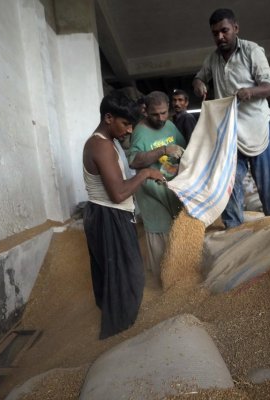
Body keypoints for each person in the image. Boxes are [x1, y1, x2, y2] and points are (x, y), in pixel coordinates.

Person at [82, 90, 165, 339]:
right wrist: (145, 174)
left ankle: (121, 326)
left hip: (111, 214)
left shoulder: (109, 141)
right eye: (125, 124)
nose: (129, 130)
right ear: (109, 117)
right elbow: (117, 194)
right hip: (109, 216)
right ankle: (118, 336)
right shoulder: (100, 146)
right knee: (126, 279)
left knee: (120, 276)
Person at [193, 8, 270, 229]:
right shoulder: (212, 59)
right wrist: (199, 84)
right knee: (228, 183)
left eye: (224, 31)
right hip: (230, 132)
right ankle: (234, 229)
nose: (220, 37)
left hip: (256, 127)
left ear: (235, 28)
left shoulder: (252, 51)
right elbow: (198, 78)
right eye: (215, 33)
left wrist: (250, 92)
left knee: (266, 183)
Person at [128, 91, 186, 282]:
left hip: (171, 188)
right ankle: (164, 281)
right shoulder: (139, 132)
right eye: (155, 114)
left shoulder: (169, 125)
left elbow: (183, 148)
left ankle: (180, 276)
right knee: (161, 233)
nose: (160, 118)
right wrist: (163, 149)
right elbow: (134, 161)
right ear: (146, 111)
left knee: (178, 230)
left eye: (163, 113)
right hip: (152, 192)